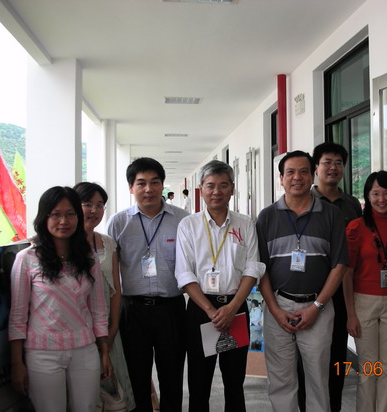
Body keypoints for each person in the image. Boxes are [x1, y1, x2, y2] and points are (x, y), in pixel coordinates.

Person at [256, 150, 348, 412]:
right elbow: (260, 269)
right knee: (281, 379)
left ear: (312, 175)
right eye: (290, 172)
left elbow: (340, 264)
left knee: (318, 378)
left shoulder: (330, 214)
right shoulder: (267, 216)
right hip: (279, 305)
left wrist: (317, 306)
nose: (297, 177)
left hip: (318, 306)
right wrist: (275, 310)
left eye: (303, 171)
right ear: (281, 179)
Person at [9, 186, 112, 412]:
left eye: (70, 214)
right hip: (42, 353)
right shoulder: (26, 259)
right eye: (56, 214)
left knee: (87, 407)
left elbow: (98, 310)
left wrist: (104, 351)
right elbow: (17, 316)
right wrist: (17, 363)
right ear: (44, 218)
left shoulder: (89, 258)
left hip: (85, 350)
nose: (63, 221)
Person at [175, 160, 265, 412]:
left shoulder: (245, 223)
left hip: (236, 309)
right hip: (201, 310)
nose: (217, 191)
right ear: (201, 189)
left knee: (235, 382)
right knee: (199, 383)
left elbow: (252, 268)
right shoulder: (189, 225)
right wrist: (211, 311)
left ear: (232, 188)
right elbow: (184, 273)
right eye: (210, 185)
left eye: (223, 185)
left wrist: (232, 307)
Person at [107, 157, 189, 412]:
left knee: (172, 375)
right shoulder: (119, 222)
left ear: (163, 185)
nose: (148, 189)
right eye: (141, 183)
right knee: (136, 376)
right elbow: (105, 265)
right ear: (131, 187)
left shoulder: (182, 220)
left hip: (171, 308)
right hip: (133, 311)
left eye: (155, 182)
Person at [296, 142, 362, 412]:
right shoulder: (304, 200)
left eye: (338, 163)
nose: (333, 168)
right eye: (327, 162)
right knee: (307, 359)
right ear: (316, 168)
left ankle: (333, 406)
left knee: (336, 356)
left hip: (341, 293)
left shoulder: (352, 205)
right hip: (309, 291)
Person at [344, 171, 387, 412]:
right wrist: (350, 314)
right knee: (368, 368)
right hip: (363, 302)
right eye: (375, 193)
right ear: (367, 196)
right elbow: (347, 274)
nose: (381, 199)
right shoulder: (356, 227)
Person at [74, 182, 136, 410]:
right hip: (76, 329)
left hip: (107, 328)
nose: (94, 210)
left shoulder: (108, 243)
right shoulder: (60, 244)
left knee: (111, 386)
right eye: (87, 204)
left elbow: (116, 289)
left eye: (100, 205)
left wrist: (113, 327)